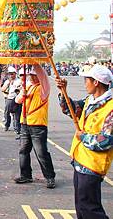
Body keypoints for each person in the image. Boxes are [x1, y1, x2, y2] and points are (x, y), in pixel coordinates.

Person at [56, 65, 113, 219]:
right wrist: (63, 92)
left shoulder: (110, 107)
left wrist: (84, 137)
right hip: (80, 159)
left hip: (93, 164)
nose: (84, 83)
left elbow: (106, 140)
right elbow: (72, 110)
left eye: (86, 79)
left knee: (90, 209)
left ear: (96, 82)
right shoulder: (91, 100)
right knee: (81, 207)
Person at [14, 64, 56, 189]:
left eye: (34, 75)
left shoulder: (43, 88)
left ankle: (50, 177)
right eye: (30, 75)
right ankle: (26, 175)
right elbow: (17, 100)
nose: (31, 77)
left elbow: (43, 76)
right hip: (25, 124)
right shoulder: (28, 87)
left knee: (41, 153)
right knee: (23, 151)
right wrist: (23, 94)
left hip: (38, 125)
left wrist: (34, 63)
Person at [1, 67, 22, 137]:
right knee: (7, 113)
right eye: (9, 74)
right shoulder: (7, 81)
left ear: (15, 74)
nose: (11, 75)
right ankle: (7, 125)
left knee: (17, 115)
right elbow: (2, 89)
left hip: (16, 99)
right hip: (9, 99)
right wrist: (8, 84)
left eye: (12, 74)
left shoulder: (19, 81)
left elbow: (21, 89)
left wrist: (18, 89)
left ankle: (17, 129)